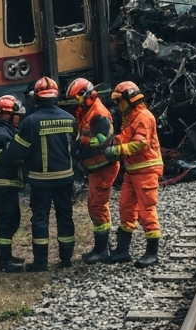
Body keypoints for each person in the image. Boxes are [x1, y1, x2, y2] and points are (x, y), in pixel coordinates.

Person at [0, 76, 76, 271]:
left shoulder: (30, 121)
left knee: (40, 218)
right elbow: (75, 150)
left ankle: (41, 262)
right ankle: (66, 259)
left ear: (36, 98)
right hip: (65, 178)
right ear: (55, 96)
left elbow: (17, 151)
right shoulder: (70, 119)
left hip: (40, 180)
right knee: (65, 216)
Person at [104, 81, 163, 267]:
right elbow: (127, 136)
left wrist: (116, 150)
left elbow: (140, 143)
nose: (117, 105)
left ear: (128, 98)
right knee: (126, 208)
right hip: (132, 170)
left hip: (146, 170)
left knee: (147, 211)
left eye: (119, 100)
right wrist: (111, 141)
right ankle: (122, 251)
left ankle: (152, 253)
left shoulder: (143, 117)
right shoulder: (131, 116)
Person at [65, 78, 118, 265]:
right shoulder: (87, 111)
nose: (76, 103)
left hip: (103, 167)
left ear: (86, 95)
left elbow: (103, 140)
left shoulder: (98, 114)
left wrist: (84, 143)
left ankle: (102, 250)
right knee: (93, 205)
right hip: (95, 168)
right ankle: (99, 248)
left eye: (77, 98)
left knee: (98, 206)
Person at [0, 94, 26, 273]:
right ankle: (3, 261)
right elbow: (12, 156)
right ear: (7, 115)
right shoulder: (2, 134)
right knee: (7, 220)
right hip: (3, 182)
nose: (19, 118)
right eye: (16, 115)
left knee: (9, 218)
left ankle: (6, 256)